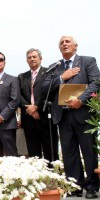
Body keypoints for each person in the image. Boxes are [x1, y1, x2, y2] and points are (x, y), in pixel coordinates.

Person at [42, 35, 100, 198]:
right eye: (61, 42)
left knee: (88, 151)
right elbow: (45, 87)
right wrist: (62, 77)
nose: (64, 44)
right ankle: (75, 185)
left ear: (76, 46)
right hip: (63, 116)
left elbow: (96, 82)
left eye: (67, 41)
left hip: (84, 115)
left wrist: (80, 100)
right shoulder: (55, 67)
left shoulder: (87, 61)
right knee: (69, 152)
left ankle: (91, 186)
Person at [18, 48, 59, 162]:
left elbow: (50, 92)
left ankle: (53, 176)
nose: (32, 59)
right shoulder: (21, 76)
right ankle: (38, 176)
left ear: (40, 58)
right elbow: (18, 96)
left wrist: (36, 107)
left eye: (34, 57)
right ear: (27, 60)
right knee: (33, 153)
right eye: (29, 57)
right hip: (28, 119)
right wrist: (30, 110)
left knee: (50, 150)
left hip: (45, 117)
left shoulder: (49, 73)